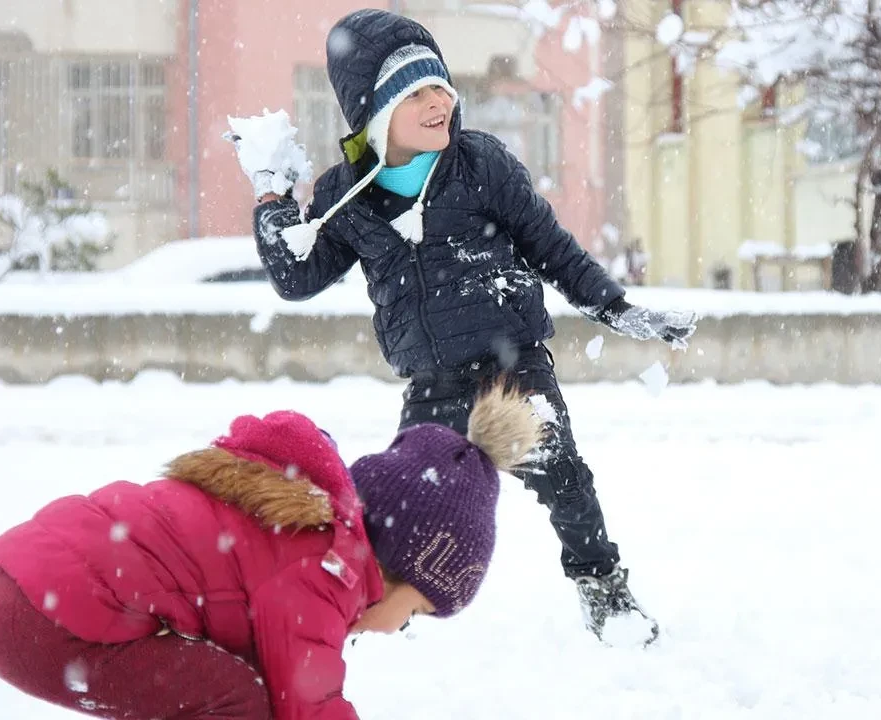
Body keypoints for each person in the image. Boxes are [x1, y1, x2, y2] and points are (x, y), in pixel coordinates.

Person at [232, 8, 696, 644]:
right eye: (416, 93)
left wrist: (615, 308)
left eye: (441, 87)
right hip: (432, 379)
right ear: (374, 112)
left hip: (513, 365)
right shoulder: (347, 194)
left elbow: (550, 247)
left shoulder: (479, 165)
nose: (438, 104)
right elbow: (297, 277)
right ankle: (373, 605)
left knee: (564, 477)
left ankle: (603, 587)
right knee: (397, 506)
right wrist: (272, 198)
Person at [0, 381, 541, 719]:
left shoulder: (306, 537)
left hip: (23, 586)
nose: (399, 627)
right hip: (43, 619)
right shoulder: (326, 569)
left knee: (231, 687)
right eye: (418, 610)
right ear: (398, 563)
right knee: (234, 698)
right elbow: (310, 705)